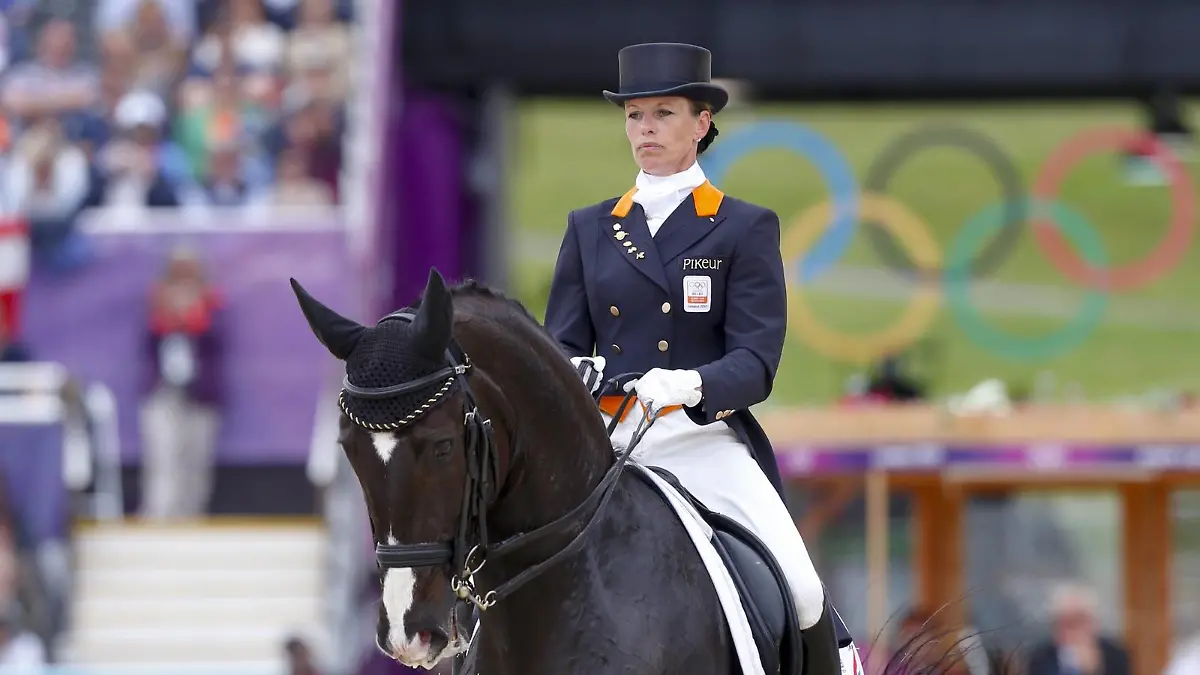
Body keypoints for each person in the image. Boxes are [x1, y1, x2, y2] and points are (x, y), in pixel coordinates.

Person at [543, 42, 861, 675]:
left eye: (663, 114)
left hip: (701, 439)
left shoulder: (742, 227)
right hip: (609, 442)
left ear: (702, 122)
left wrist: (690, 384)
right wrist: (573, 375)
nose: (646, 130)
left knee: (800, 588)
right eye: (635, 116)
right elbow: (562, 346)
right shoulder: (591, 228)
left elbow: (757, 361)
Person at [1024, 581, 1131, 675]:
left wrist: (1093, 670)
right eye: (1066, 622)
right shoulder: (1040, 657)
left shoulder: (1116, 655)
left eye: (1079, 621)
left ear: (1094, 623)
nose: (1072, 630)